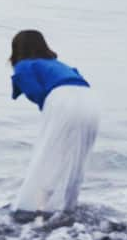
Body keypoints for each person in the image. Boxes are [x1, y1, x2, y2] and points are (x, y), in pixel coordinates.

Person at [9, 29, 99, 219]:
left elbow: (36, 93)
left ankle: (41, 209)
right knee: (74, 157)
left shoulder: (25, 64)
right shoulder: (59, 64)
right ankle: (68, 207)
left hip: (63, 99)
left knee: (50, 155)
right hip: (90, 100)